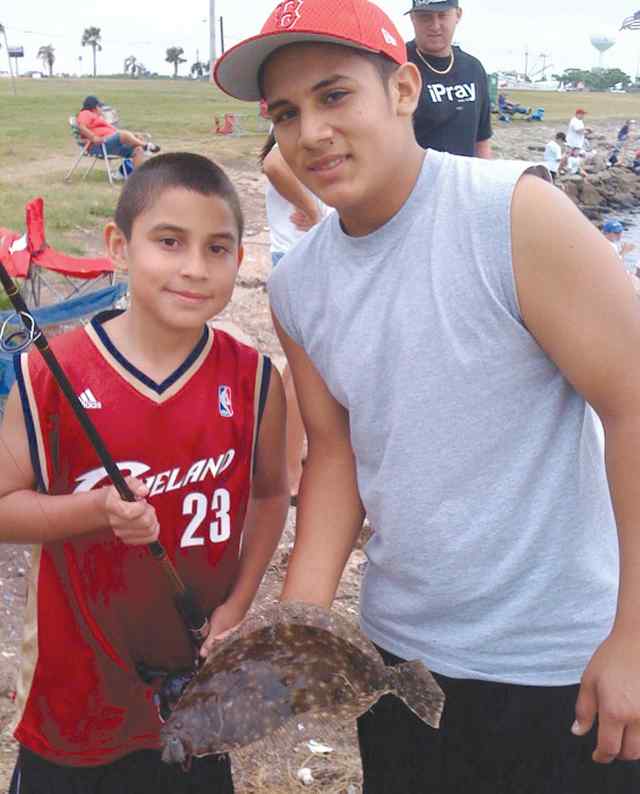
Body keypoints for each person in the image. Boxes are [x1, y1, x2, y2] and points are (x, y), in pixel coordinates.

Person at [214, 1, 640, 792]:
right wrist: (296, 626)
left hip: (561, 662)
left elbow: (632, 405)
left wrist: (635, 636)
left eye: (335, 95)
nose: (312, 133)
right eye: (287, 113)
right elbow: (335, 453)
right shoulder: (299, 286)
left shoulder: (512, 215)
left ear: (404, 90)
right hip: (402, 660)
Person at [1, 153, 289, 793]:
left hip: (197, 695)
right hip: (75, 702)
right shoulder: (50, 375)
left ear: (240, 260)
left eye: (217, 248)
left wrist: (238, 605)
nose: (195, 268)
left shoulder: (255, 380)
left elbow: (271, 495)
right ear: (118, 246)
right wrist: (94, 510)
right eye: (169, 241)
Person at [261, 131, 329, 501]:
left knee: (299, 366)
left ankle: (287, 457)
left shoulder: (297, 137)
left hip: (300, 255)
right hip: (302, 256)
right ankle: (288, 471)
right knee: (306, 368)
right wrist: (315, 213)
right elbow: (273, 164)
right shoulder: (289, 139)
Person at [405, 0, 492, 158]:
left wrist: (486, 172)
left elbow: (482, 140)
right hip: (415, 173)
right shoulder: (398, 66)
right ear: (412, 18)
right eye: (425, 16)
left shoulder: (473, 68)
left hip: (466, 172)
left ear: (458, 15)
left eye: (442, 15)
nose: (435, 26)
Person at [76, 95, 161, 171]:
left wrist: (134, 135)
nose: (101, 109)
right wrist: (94, 138)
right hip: (100, 145)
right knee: (124, 134)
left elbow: (115, 132)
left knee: (138, 149)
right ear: (94, 107)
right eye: (100, 106)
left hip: (111, 145)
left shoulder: (98, 118)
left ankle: (136, 177)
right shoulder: (86, 113)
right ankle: (146, 146)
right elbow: (82, 127)